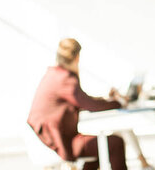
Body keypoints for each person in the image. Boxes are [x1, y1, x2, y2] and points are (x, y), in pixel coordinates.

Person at [27, 38, 132, 170]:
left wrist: (106, 100)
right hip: (58, 143)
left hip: (44, 140)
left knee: (101, 146)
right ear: (77, 57)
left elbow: (83, 101)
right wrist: (119, 102)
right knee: (114, 143)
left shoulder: (53, 74)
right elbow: (91, 105)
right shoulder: (65, 78)